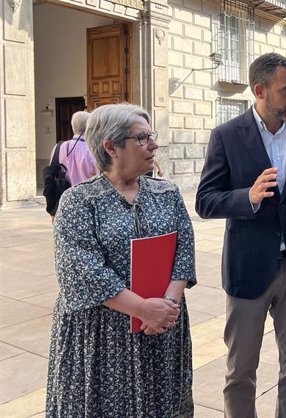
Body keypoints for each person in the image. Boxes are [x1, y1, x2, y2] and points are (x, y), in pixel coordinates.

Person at [195, 52, 286, 417]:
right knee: (240, 370)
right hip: (248, 268)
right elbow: (205, 201)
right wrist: (248, 198)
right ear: (260, 90)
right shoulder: (226, 136)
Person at [45, 103, 196, 417]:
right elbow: (82, 270)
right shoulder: (78, 201)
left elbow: (184, 251)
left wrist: (166, 307)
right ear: (111, 147)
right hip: (103, 336)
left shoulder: (167, 193)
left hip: (161, 327)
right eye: (142, 138)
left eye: (150, 136)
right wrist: (141, 309)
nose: (153, 144)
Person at [48, 111, 98, 186]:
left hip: (63, 194)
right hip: (87, 194)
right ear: (89, 127)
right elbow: (100, 177)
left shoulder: (58, 147)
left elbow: (52, 170)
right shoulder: (93, 150)